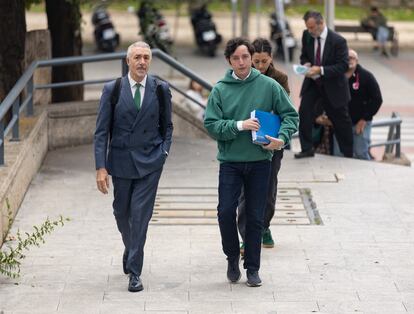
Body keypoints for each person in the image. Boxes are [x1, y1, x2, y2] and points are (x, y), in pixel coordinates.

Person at [204, 37, 298, 287]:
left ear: (252, 58)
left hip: (259, 161)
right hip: (231, 162)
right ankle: (232, 256)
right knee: (225, 212)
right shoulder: (220, 90)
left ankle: (253, 268)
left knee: (255, 217)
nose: (242, 62)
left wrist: (281, 138)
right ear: (229, 61)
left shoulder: (269, 86)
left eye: (246, 57)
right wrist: (239, 125)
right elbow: (211, 125)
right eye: (236, 57)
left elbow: (291, 115)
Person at [94, 41, 173, 292]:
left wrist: (164, 152)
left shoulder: (160, 88)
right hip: (121, 161)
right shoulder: (113, 89)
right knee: (121, 212)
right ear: (128, 61)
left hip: (151, 161)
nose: (142, 62)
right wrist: (100, 167)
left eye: (146, 57)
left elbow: (167, 126)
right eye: (137, 57)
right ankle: (131, 248)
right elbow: (101, 132)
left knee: (140, 216)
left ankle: (135, 272)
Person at [237, 38, 290, 253]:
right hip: (246, 141)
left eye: (264, 61)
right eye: (256, 61)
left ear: (271, 59)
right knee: (244, 191)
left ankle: (264, 226)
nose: (259, 66)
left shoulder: (279, 78)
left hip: (271, 140)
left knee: (268, 187)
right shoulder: (242, 76)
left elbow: (286, 110)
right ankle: (246, 234)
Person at [294, 10, 353, 159]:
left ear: (321, 23)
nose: (309, 31)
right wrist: (305, 64)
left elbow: (343, 66)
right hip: (313, 83)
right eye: (307, 27)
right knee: (304, 112)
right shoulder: (306, 35)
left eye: (312, 27)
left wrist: (320, 70)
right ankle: (307, 148)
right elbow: (304, 56)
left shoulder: (338, 41)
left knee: (341, 121)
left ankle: (348, 153)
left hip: (333, 86)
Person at [334, 49, 383, 159]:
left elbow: (377, 99)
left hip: (360, 122)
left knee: (360, 152)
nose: (349, 60)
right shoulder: (337, 76)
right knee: (338, 154)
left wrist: (364, 118)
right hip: (340, 123)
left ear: (357, 60)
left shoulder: (366, 76)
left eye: (352, 58)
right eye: (347, 58)